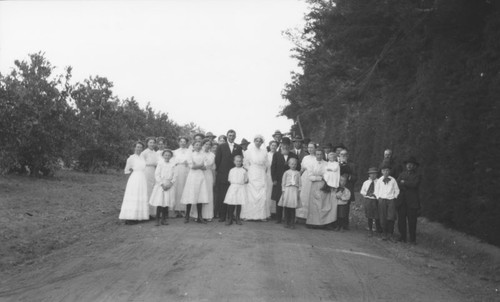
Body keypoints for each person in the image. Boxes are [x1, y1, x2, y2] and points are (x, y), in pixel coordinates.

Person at [215, 129, 243, 222]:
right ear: (227, 136)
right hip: (223, 175)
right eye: (230, 135)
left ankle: (231, 216)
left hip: (235, 176)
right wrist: (219, 173)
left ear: (235, 136)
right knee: (223, 196)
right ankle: (222, 216)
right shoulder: (221, 146)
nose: (231, 137)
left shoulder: (238, 147)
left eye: (233, 135)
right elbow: (217, 160)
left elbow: (240, 160)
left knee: (233, 196)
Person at [119, 141, 149, 224]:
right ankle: (130, 217)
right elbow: (126, 170)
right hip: (135, 178)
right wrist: (133, 171)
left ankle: (138, 216)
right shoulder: (131, 158)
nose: (139, 149)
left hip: (142, 178)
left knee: (140, 195)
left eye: (140, 147)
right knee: (134, 195)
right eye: (137, 147)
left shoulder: (142, 157)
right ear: (134, 148)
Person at [305, 149, 336, 228]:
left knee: (323, 203)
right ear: (315, 155)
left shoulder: (326, 164)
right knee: (314, 204)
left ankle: (323, 223)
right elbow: (310, 176)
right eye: (317, 154)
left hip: (324, 185)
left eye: (320, 154)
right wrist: (319, 178)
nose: (319, 156)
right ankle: (313, 222)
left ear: (323, 155)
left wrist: (325, 179)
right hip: (315, 185)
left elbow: (328, 174)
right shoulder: (311, 164)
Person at [241, 135, 269, 221]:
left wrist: (262, 171)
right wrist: (250, 171)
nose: (258, 142)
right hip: (252, 172)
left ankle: (261, 216)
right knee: (250, 193)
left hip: (261, 173)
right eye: (256, 141)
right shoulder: (248, 152)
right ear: (254, 141)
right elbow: (245, 163)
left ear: (262, 142)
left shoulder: (264, 152)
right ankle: (249, 215)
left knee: (261, 193)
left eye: (260, 141)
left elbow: (266, 164)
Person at [271, 138, 298, 223]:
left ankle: (288, 219)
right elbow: (273, 167)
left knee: (289, 199)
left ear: (289, 146)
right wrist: (274, 179)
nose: (285, 146)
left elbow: (298, 168)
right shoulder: (276, 155)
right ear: (281, 145)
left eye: (287, 144)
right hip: (279, 180)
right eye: (283, 144)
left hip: (290, 182)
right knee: (279, 198)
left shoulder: (293, 155)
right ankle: (278, 218)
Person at [180, 140, 208, 224]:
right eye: (196, 145)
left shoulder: (203, 155)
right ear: (193, 146)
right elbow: (192, 166)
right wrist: (199, 165)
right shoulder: (190, 154)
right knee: (190, 195)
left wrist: (197, 165)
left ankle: (200, 216)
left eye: (200, 145)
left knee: (200, 195)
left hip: (200, 176)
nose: (198, 146)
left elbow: (205, 166)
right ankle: (187, 216)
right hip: (192, 176)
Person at [397, 156, 421, 244]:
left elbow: (414, 185)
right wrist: (406, 184)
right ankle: (402, 237)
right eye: (408, 164)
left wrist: (404, 183)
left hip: (412, 201)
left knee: (412, 221)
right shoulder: (402, 174)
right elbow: (397, 183)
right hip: (402, 200)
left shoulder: (417, 175)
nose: (409, 166)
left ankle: (412, 239)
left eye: (411, 164)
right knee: (401, 220)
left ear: (414, 166)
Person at [149, 149, 177, 226]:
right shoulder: (160, 164)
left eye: (169, 155)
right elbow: (157, 175)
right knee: (160, 202)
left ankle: (164, 219)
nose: (167, 156)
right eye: (166, 155)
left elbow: (175, 176)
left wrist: (170, 184)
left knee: (166, 202)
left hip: (169, 184)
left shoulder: (173, 165)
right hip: (161, 185)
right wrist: (162, 184)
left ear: (171, 156)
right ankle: (157, 219)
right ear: (163, 156)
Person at [190, 139, 215, 221]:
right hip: (200, 174)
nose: (207, 146)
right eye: (206, 144)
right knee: (199, 193)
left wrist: (214, 178)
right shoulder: (200, 153)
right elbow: (195, 165)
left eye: (209, 144)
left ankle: (207, 215)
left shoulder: (212, 155)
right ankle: (197, 215)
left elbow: (213, 167)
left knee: (208, 194)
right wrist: (202, 166)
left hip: (208, 175)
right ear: (203, 145)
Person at [374, 164, 400, 241]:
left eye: (387, 170)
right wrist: (379, 197)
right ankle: (384, 233)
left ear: (389, 171)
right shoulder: (379, 180)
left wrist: (394, 197)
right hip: (382, 200)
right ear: (382, 171)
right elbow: (376, 190)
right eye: (384, 170)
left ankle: (390, 234)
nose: (386, 172)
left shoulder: (393, 180)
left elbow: (397, 190)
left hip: (391, 200)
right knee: (382, 217)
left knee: (391, 217)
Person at [223, 155, 248, 225]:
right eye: (237, 161)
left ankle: (238, 218)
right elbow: (229, 179)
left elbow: (246, 180)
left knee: (239, 203)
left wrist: (242, 182)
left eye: (240, 161)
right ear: (234, 162)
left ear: (242, 162)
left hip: (240, 187)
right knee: (231, 203)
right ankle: (230, 218)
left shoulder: (244, 171)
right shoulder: (232, 170)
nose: (238, 162)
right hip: (233, 187)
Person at [278, 158, 301, 229]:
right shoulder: (286, 173)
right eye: (292, 164)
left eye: (295, 164)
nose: (293, 165)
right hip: (287, 190)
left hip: (294, 190)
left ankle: (292, 222)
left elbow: (300, 183)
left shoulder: (298, 173)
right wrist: (283, 191)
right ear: (289, 164)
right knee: (287, 207)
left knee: (293, 208)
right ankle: (286, 222)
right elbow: (283, 183)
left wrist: (299, 191)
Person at [296, 142, 317, 220]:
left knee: (310, 196)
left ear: (315, 148)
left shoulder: (317, 158)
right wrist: (298, 176)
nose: (310, 149)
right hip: (304, 178)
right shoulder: (305, 158)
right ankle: (300, 215)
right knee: (302, 196)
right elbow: (302, 169)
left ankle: (309, 216)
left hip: (312, 179)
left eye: (312, 147)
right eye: (309, 147)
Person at [173, 136, 191, 218]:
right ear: (179, 142)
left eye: (184, 142)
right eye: (181, 141)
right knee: (177, 189)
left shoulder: (190, 151)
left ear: (187, 143)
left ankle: (184, 209)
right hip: (178, 170)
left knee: (185, 188)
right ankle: (177, 209)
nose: (183, 143)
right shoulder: (175, 152)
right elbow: (172, 162)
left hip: (187, 170)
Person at [338, 149, 357, 229]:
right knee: (337, 206)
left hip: (348, 188)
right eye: (342, 155)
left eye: (345, 155)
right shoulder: (336, 164)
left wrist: (348, 177)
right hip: (337, 187)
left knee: (346, 206)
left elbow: (356, 177)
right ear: (339, 156)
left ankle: (345, 224)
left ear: (348, 156)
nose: (343, 156)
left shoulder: (352, 165)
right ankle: (337, 223)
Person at [360, 167, 382, 236]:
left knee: (377, 215)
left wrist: (376, 195)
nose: (373, 175)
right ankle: (370, 229)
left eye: (374, 174)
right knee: (369, 215)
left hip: (376, 200)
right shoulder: (366, 182)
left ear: (377, 174)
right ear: (369, 175)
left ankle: (378, 229)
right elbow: (362, 191)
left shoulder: (379, 182)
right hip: (368, 200)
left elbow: (381, 190)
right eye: (371, 174)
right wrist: (367, 194)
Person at [141, 137, 158, 218]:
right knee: (147, 190)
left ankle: (152, 212)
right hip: (146, 171)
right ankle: (145, 212)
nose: (152, 144)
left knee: (153, 190)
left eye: (153, 143)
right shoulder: (144, 153)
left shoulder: (155, 152)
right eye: (150, 142)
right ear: (147, 143)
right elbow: (141, 163)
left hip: (154, 171)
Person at [266, 140, 278, 216]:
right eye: (272, 145)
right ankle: (267, 211)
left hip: (275, 176)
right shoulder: (266, 155)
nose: (273, 147)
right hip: (267, 175)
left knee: (274, 192)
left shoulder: (278, 155)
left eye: (275, 145)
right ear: (269, 146)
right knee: (268, 192)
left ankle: (273, 211)